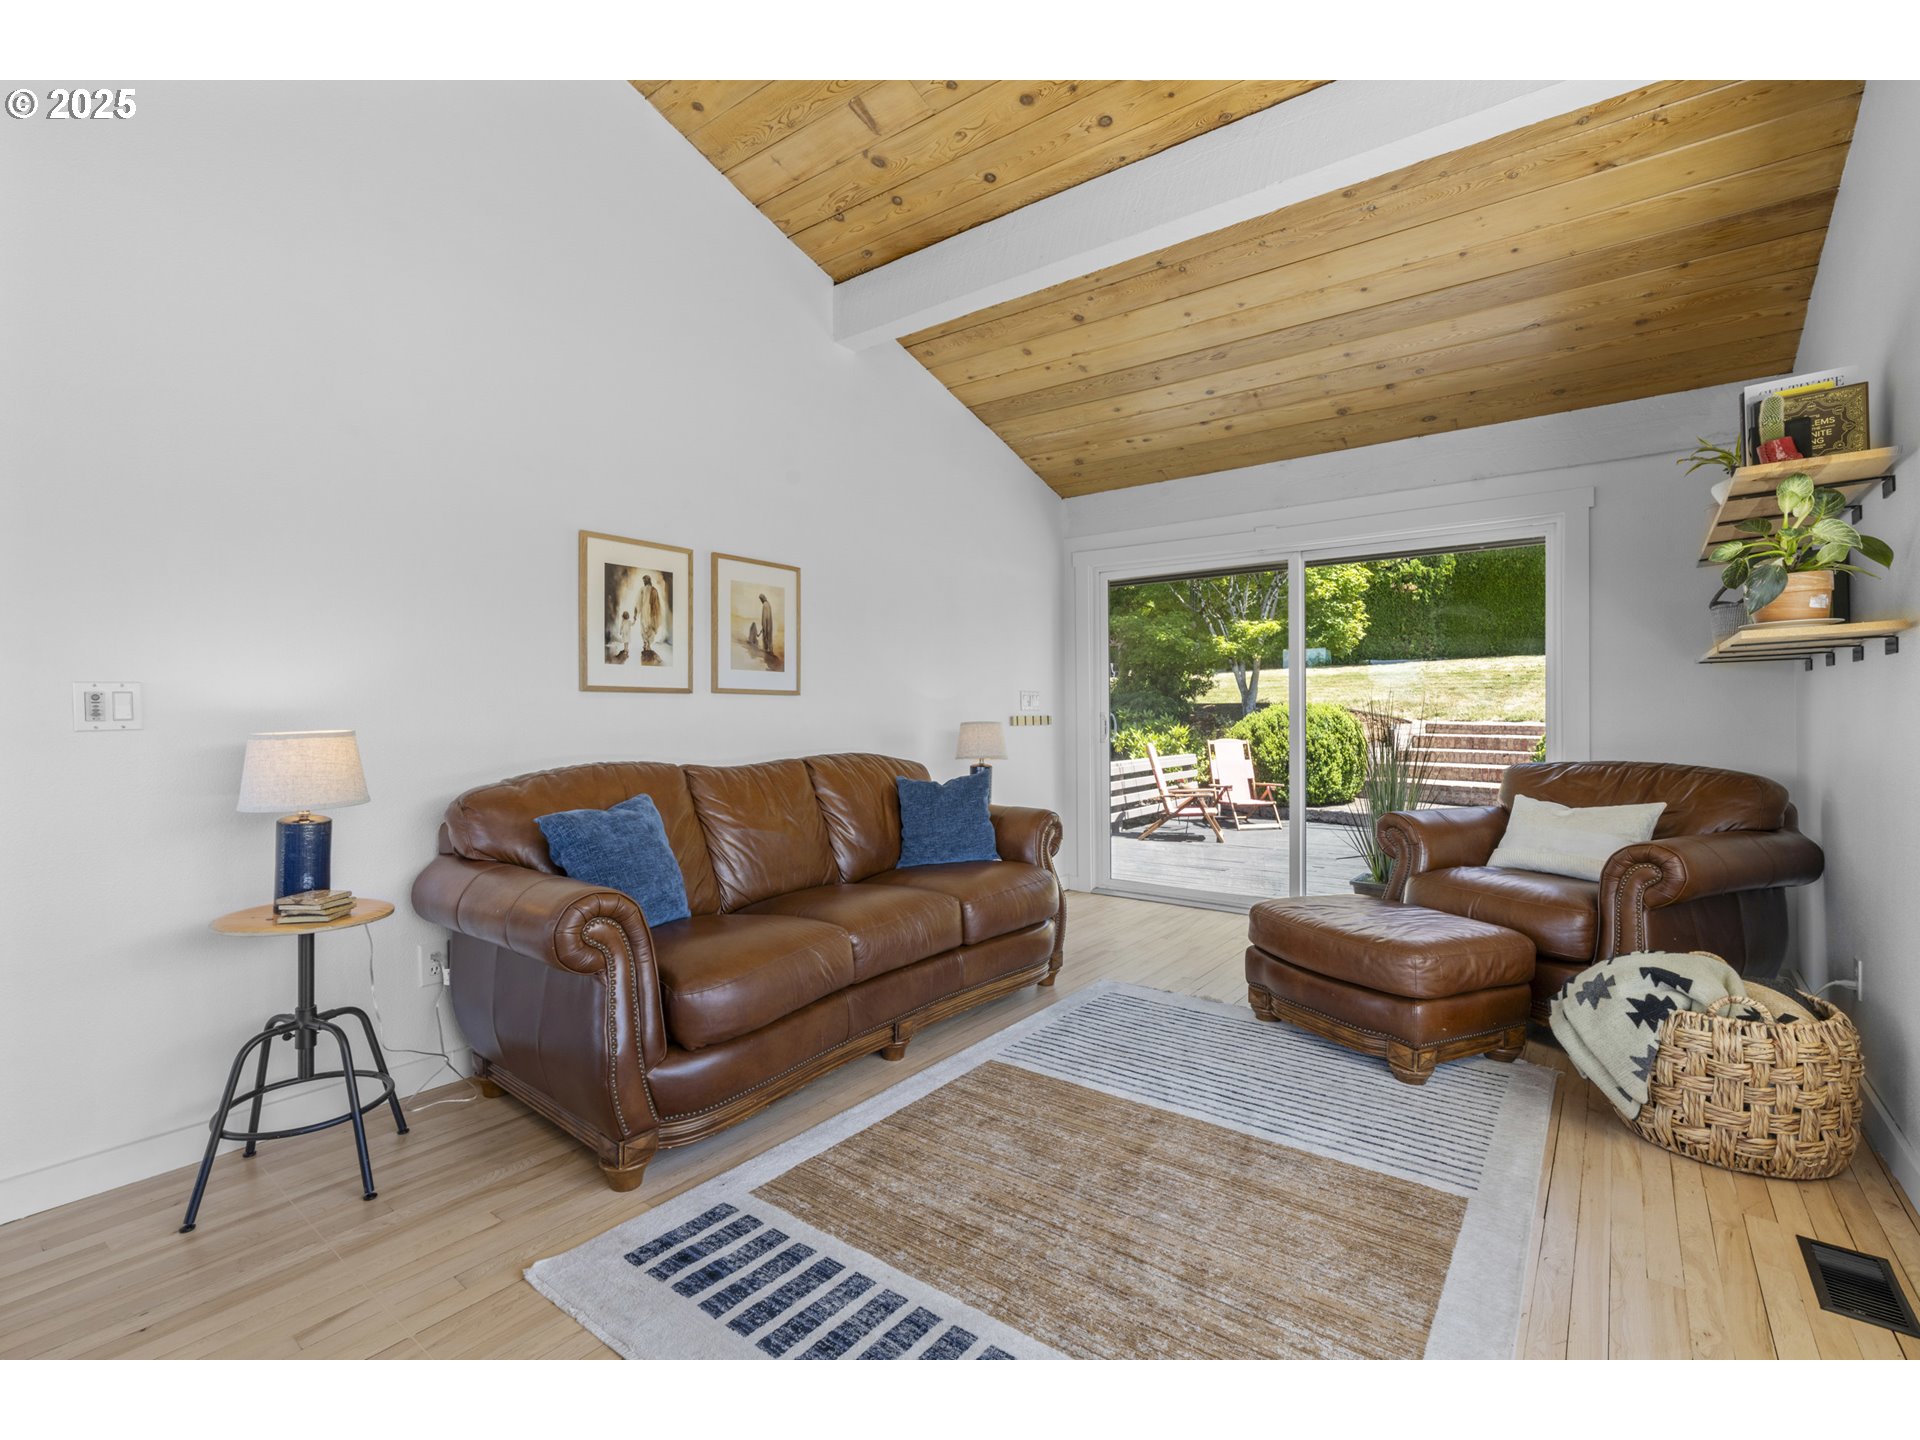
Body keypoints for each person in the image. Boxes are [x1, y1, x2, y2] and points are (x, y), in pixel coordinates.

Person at [638, 574, 664, 661]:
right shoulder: (653, 590)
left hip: (648, 613)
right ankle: (647, 645)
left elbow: (638, 603)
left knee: (646, 629)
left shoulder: (647, 590)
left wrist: (636, 613)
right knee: (649, 629)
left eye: (644, 580)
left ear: (646, 581)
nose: (644, 582)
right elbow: (656, 605)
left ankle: (646, 645)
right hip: (650, 613)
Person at [759, 592, 775, 667]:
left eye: (760, 599)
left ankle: (768, 657)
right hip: (770, 625)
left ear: (762, 599)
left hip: (766, 625)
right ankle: (770, 651)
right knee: (769, 638)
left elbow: (764, 617)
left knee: (766, 639)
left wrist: (764, 626)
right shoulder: (768, 604)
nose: (760, 601)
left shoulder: (765, 605)